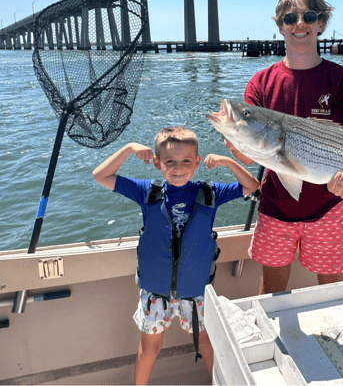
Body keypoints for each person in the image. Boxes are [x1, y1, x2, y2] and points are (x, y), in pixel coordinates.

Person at [92, 127, 260, 385]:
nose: (178, 168)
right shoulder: (146, 191)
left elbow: (251, 185)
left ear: (197, 162)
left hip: (196, 294)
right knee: (149, 349)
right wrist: (128, 149)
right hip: (155, 294)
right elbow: (100, 175)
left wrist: (227, 161)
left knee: (207, 345)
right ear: (158, 163)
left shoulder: (211, 193)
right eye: (169, 162)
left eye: (185, 161)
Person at [226, 0, 343, 295]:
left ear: (321, 24)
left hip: (329, 206)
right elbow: (251, 158)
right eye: (290, 18)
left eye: (308, 16)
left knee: (332, 297)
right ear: (280, 26)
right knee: (271, 297)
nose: (299, 24)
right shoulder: (260, 84)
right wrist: (235, 143)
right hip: (276, 207)